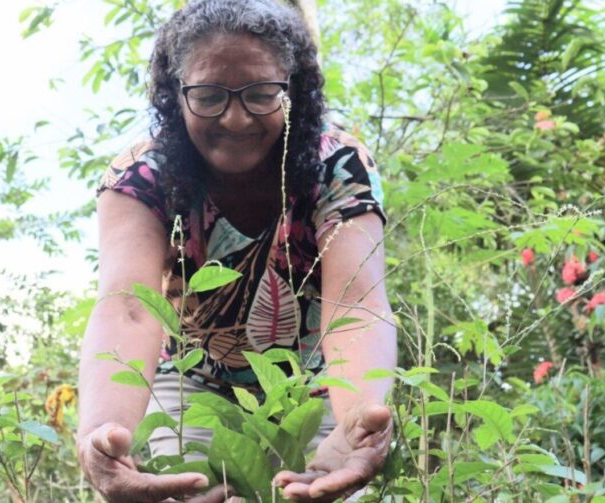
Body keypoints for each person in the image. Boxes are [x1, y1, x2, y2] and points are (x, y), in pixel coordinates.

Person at [77, 0, 397, 501]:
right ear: (176, 95)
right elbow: (130, 306)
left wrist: (356, 422)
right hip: (190, 382)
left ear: (293, 91)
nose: (236, 117)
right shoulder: (143, 176)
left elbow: (355, 305)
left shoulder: (337, 166)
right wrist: (102, 432)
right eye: (208, 96)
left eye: (261, 93)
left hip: (310, 387)